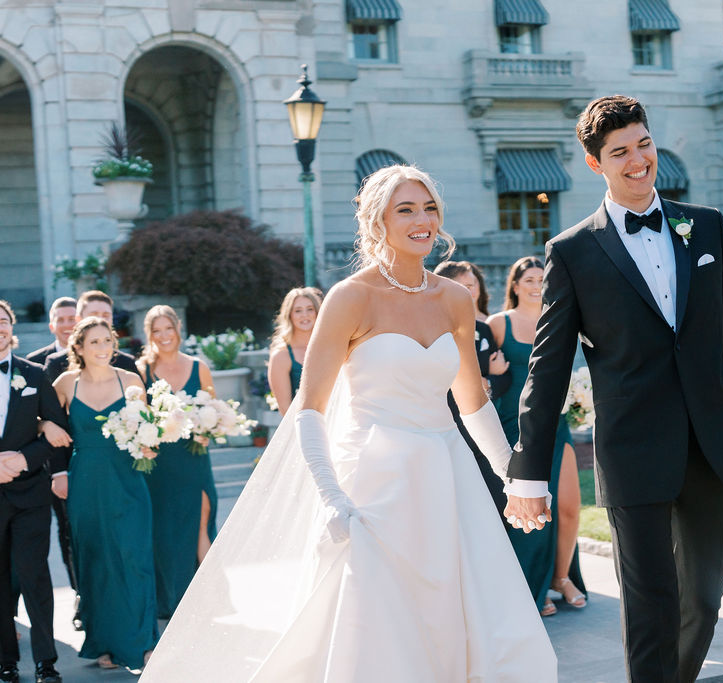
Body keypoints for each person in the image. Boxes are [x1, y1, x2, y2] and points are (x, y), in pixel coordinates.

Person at [140, 165, 556, 682]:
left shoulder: (454, 299)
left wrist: (512, 477)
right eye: (405, 209)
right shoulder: (349, 297)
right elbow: (308, 409)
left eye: (428, 208)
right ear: (377, 220)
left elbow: (472, 402)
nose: (422, 220)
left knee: (464, 615)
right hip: (375, 484)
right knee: (377, 626)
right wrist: (333, 497)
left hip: (448, 477)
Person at [504, 95, 723, 682]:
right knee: (650, 604)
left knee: (702, 601)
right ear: (597, 164)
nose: (637, 160)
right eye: (620, 151)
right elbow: (547, 368)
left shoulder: (707, 226)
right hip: (632, 450)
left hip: (713, 446)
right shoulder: (570, 252)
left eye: (643, 144)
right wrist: (526, 471)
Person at [52, 317, 158, 671]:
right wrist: (46, 423)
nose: (102, 348)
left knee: (135, 558)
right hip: (86, 482)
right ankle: (104, 644)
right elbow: (38, 417)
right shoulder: (66, 383)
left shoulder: (130, 380)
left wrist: (150, 444)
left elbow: (146, 429)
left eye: (106, 341)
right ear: (78, 348)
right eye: (93, 342)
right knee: (95, 560)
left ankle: (142, 643)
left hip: (127, 479)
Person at [488, 257, 586, 617]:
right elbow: (484, 374)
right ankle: (537, 585)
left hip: (557, 426)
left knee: (569, 506)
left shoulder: (559, 319)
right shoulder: (500, 324)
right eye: (529, 279)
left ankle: (562, 578)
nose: (535, 285)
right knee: (532, 513)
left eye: (542, 279)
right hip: (513, 429)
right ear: (514, 285)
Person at [135, 305, 217, 619]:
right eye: (157, 330)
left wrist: (208, 430)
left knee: (199, 520)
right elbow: (139, 417)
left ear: (178, 329)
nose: (164, 336)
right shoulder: (142, 371)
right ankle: (170, 599)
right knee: (165, 530)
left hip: (194, 458)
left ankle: (207, 596)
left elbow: (214, 409)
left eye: (168, 328)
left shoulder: (199, 367)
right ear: (149, 335)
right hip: (160, 464)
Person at [0, 300, 65, 683]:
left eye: (3, 321)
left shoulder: (35, 374)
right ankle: (6, 662)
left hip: (30, 496)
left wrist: (23, 459)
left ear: (12, 326)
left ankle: (46, 662)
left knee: (34, 575)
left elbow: (55, 433)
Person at [433, 260, 511, 516]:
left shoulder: (484, 329)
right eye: (461, 286)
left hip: (480, 430)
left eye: (471, 285)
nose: (468, 292)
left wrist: (488, 382)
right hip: (444, 431)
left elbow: (504, 377)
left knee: (493, 507)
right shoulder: (431, 329)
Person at [43, 292, 140, 383]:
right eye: (93, 315)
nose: (100, 320)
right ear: (78, 319)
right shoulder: (56, 363)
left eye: (106, 315)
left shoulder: (127, 362)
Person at [267, 287, 323, 416]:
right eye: (298, 311)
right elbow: (285, 410)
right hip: (303, 425)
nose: (305, 315)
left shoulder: (330, 347)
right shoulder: (281, 356)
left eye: (310, 309)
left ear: (318, 312)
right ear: (289, 315)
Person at [26, 298, 77, 365]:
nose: (66, 325)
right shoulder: (35, 361)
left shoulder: (93, 355)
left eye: (72, 319)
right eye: (60, 320)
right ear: (51, 327)